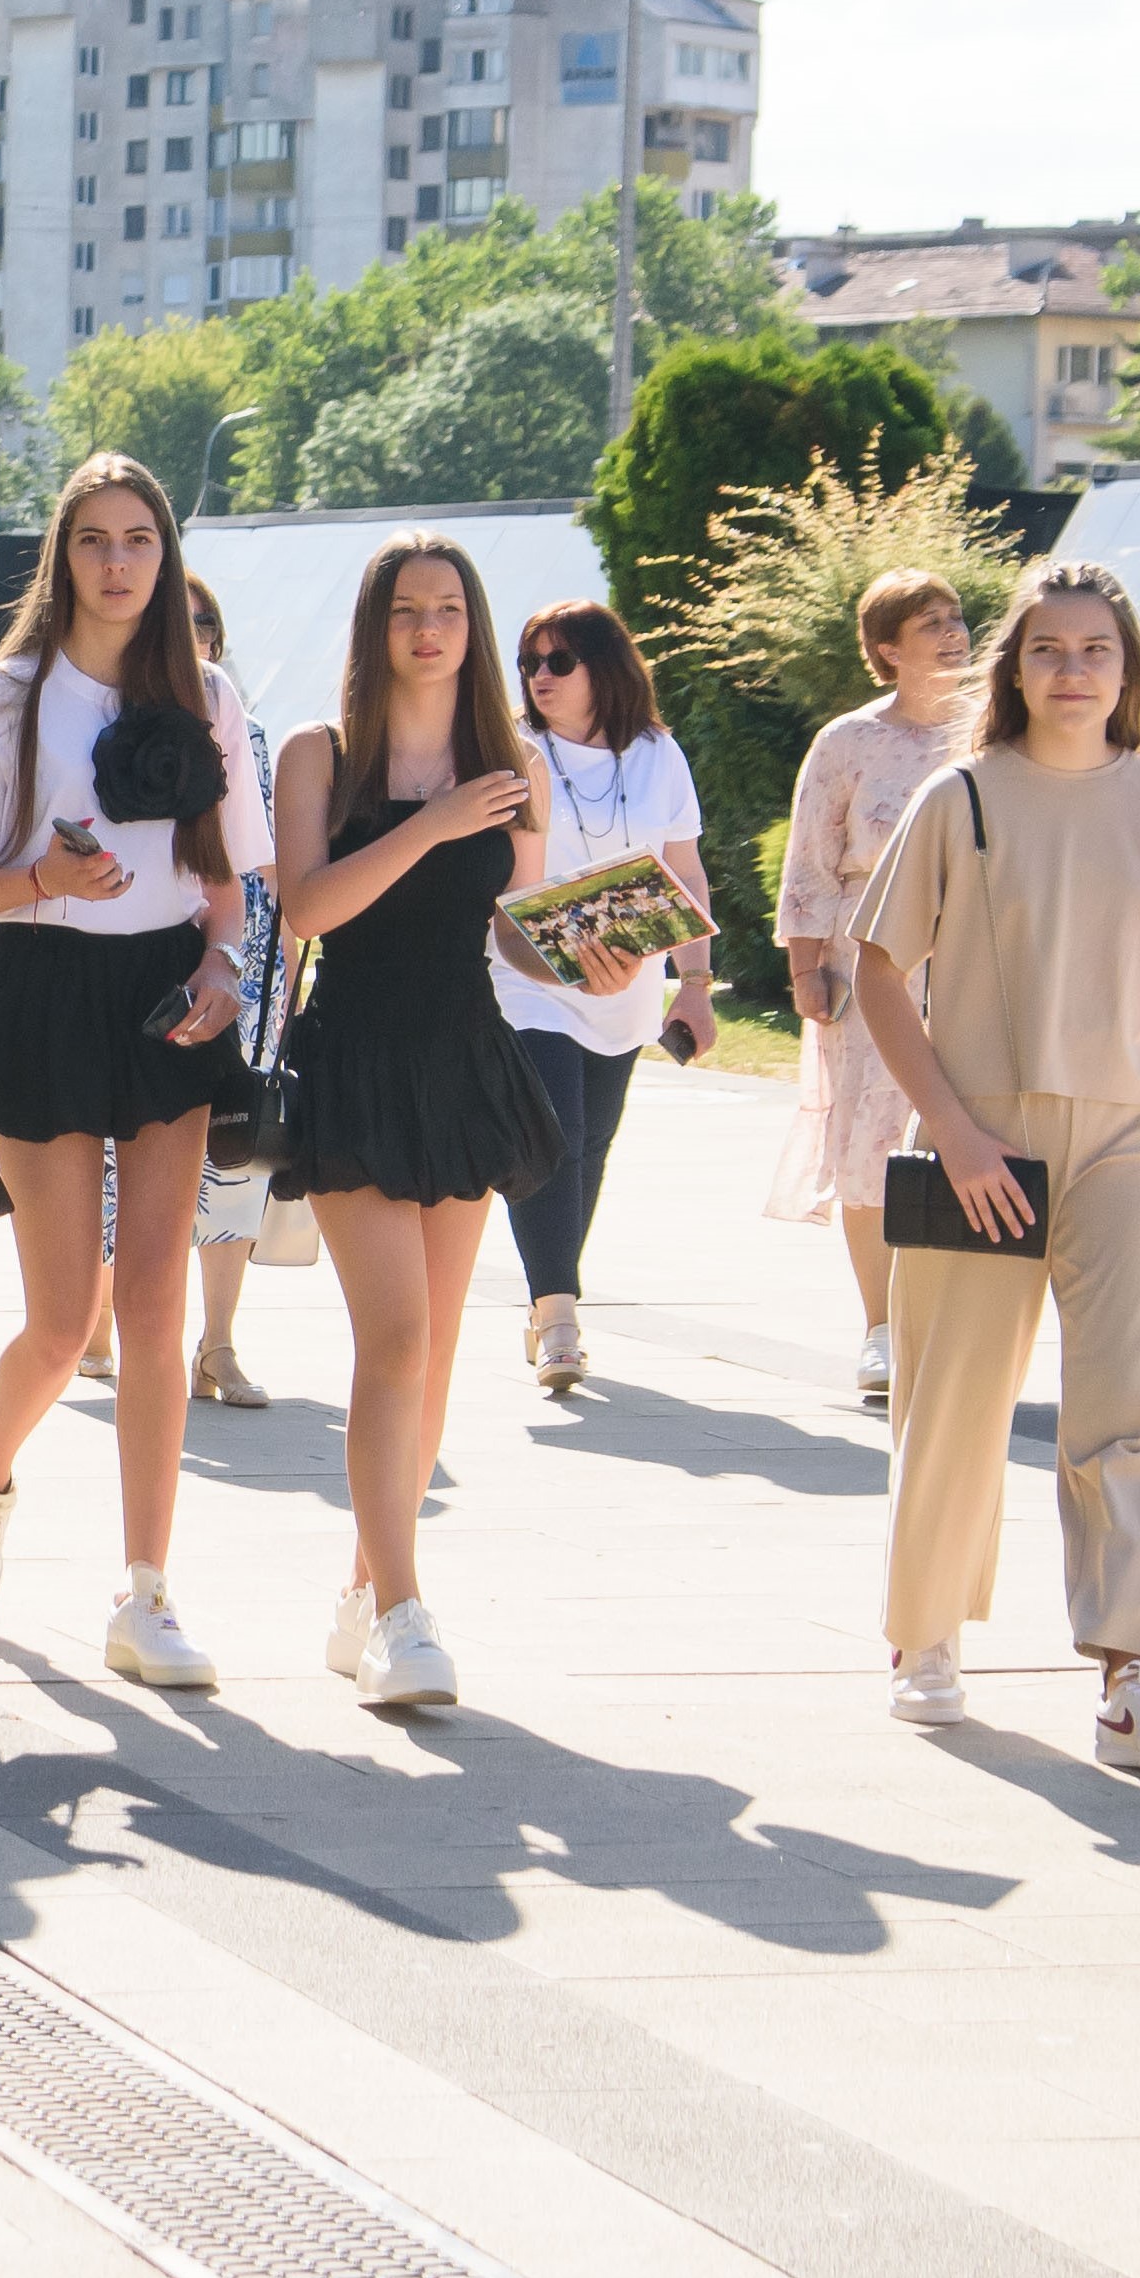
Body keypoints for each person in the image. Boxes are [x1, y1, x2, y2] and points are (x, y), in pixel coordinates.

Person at [851, 558, 1140, 1775]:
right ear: (1014, 669)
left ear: (1130, 673)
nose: (1073, 670)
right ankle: (925, 1635)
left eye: (1095, 649)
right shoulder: (959, 797)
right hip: (982, 1138)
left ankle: (1135, 1681)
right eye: (1049, 649)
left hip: (1130, 1141)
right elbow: (878, 972)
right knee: (952, 1400)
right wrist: (956, 1131)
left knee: (1125, 1412)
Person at [0, 455, 274, 1689]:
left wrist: (225, 964)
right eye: (94, 540)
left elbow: (228, 875)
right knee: (69, 1320)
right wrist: (45, 881)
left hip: (170, 995)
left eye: (140, 539)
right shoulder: (11, 694)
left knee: (159, 1304)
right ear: (62, 556)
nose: (118, 563)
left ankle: (145, 1592)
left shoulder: (206, 692)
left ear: (166, 556)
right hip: (44, 992)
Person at [271, 531, 565, 1711]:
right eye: (406, 609)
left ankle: (364, 1591)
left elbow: (515, 918)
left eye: (447, 608)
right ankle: (403, 1611)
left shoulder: (512, 762)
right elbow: (307, 909)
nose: (428, 628)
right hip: (354, 1057)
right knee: (393, 1340)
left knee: (433, 1349)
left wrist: (586, 952)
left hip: (463, 1059)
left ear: (473, 625)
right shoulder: (321, 752)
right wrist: (434, 824)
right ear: (374, 625)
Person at [492, 597, 717, 1394]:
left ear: (604, 667)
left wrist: (695, 984)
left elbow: (685, 873)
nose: (539, 677)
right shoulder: (512, 752)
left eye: (559, 661)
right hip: (527, 980)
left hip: (626, 987)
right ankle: (558, 1317)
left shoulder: (658, 754)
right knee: (551, 1134)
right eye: (529, 663)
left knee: (590, 1146)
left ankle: (547, 1299)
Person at [771, 572, 980, 1408]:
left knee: (968, 1128)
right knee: (872, 1144)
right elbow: (809, 860)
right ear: (887, 648)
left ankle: (954, 1324)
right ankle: (882, 1327)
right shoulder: (848, 742)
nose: (953, 633)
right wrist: (804, 968)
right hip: (871, 956)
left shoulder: (994, 736)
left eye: (956, 618)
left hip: (976, 958)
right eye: (930, 623)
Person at [80, 575, 287, 1411]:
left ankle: (218, 1341)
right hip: (140, 955)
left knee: (235, 1151)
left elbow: (265, 859)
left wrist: (275, 966)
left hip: (241, 956)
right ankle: (100, 1318)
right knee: (115, 1150)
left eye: (205, 624)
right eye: (179, 621)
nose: (192, 634)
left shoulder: (248, 731)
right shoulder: (105, 717)